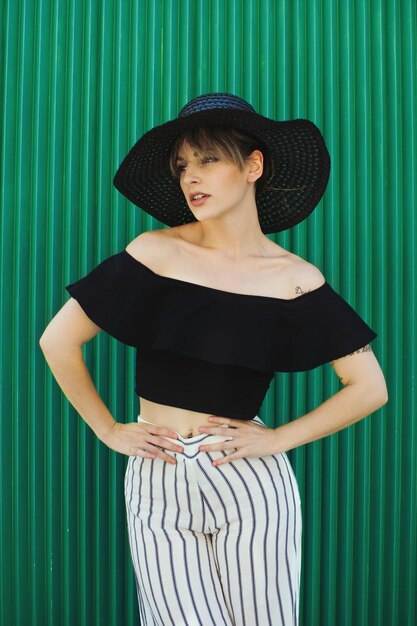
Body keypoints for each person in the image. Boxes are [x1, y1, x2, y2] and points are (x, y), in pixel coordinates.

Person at [39, 93, 388, 626]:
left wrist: (275, 440)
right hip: (157, 477)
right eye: (182, 165)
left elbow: (368, 387)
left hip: (248, 479)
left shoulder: (294, 278)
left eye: (208, 159)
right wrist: (109, 429)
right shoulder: (154, 253)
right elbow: (56, 341)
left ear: (253, 165)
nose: (190, 177)